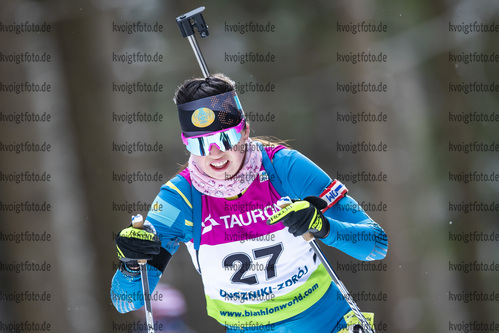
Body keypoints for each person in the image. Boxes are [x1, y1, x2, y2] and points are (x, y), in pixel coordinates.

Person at [111, 73, 388, 333]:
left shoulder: (284, 167)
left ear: (244, 131)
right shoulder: (180, 199)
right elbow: (125, 302)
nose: (216, 154)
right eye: (200, 144)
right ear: (186, 144)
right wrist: (131, 264)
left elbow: (375, 245)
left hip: (327, 325)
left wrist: (323, 226)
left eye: (225, 138)